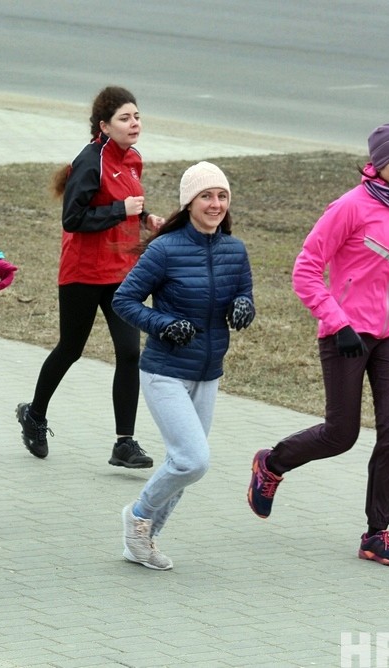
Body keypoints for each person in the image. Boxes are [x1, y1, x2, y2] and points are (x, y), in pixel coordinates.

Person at [246, 123, 389, 567]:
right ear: (376, 164)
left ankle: (377, 534)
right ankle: (273, 464)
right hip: (347, 336)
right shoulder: (349, 208)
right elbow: (306, 270)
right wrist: (337, 323)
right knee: (341, 434)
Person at [113, 162, 254, 570]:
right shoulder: (165, 249)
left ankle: (144, 541)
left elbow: (242, 294)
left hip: (208, 373)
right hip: (165, 371)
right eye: (206, 196)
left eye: (222, 196)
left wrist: (244, 307)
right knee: (193, 460)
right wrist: (163, 324)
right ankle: (138, 516)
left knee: (184, 463)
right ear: (189, 202)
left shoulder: (234, 250)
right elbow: (124, 301)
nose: (215, 204)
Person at [15, 85, 164, 467]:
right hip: (83, 273)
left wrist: (147, 219)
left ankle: (124, 443)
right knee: (71, 349)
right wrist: (120, 209)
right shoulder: (90, 160)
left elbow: (132, 203)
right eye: (125, 118)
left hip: (121, 272)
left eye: (137, 116)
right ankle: (34, 414)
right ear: (104, 125)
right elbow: (73, 218)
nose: (134, 124)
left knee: (130, 353)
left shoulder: (133, 159)